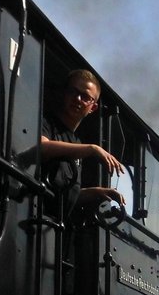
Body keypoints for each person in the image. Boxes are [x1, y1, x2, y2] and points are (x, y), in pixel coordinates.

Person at [39, 69, 125, 218]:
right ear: (64, 93)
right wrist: (92, 149)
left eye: (85, 97)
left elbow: (65, 194)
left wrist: (96, 192)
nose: (78, 99)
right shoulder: (44, 123)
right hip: (35, 214)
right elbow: (41, 147)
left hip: (54, 225)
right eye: (73, 92)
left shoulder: (76, 143)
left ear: (93, 107)